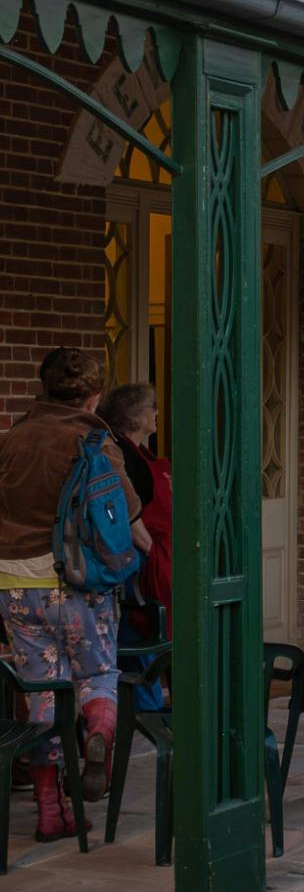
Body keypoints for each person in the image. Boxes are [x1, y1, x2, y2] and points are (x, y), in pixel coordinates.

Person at [0, 348, 149, 840]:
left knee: (43, 694)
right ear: (95, 394)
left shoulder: (13, 437)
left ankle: (51, 812)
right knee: (98, 673)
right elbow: (128, 517)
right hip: (78, 585)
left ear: (43, 387)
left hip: (16, 585)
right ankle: (99, 733)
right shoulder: (94, 440)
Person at [102, 383, 173, 714]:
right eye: (153, 406)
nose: (157, 412)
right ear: (137, 415)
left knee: (139, 636)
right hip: (139, 563)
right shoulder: (124, 456)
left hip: (149, 558)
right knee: (140, 635)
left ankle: (139, 708)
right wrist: (152, 552)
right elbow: (127, 514)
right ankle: (145, 710)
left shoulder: (139, 454)